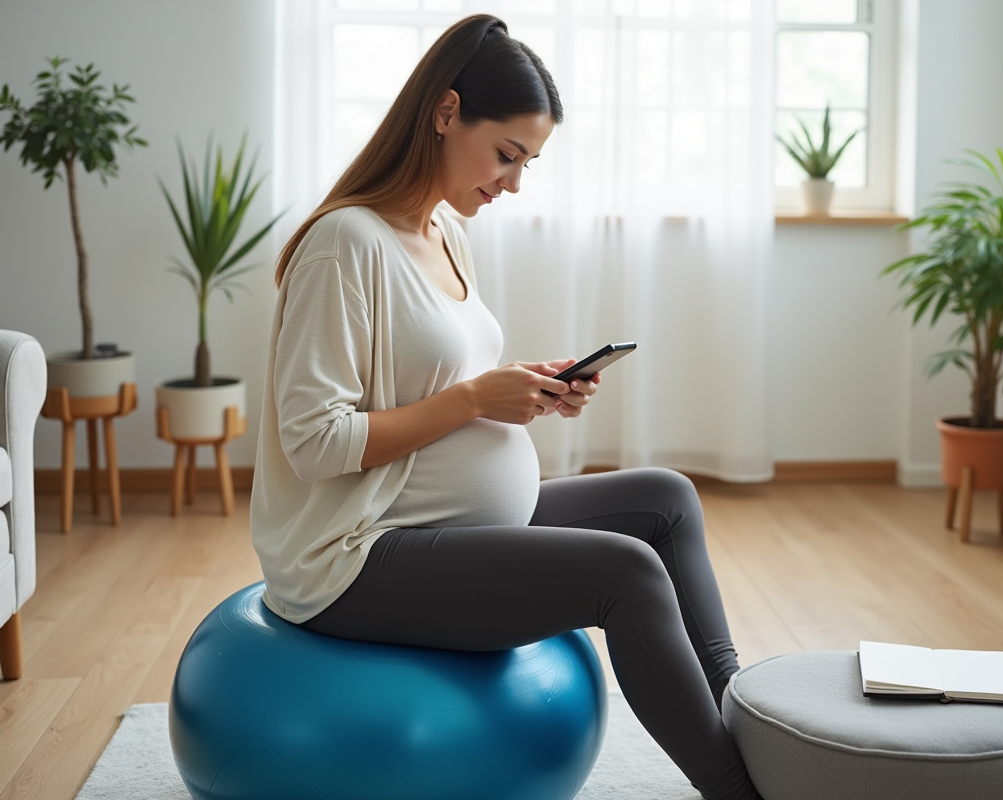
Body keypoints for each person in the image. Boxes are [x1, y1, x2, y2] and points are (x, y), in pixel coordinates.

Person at [251, 14, 762, 800]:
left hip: (444, 523)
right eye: (507, 155)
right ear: (446, 112)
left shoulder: (445, 230)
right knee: (623, 571)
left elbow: (441, 379)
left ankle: (743, 713)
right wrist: (472, 400)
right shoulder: (344, 245)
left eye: (528, 162)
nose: (515, 182)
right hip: (355, 553)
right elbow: (314, 442)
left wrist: (524, 386)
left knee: (667, 499)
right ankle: (740, 788)